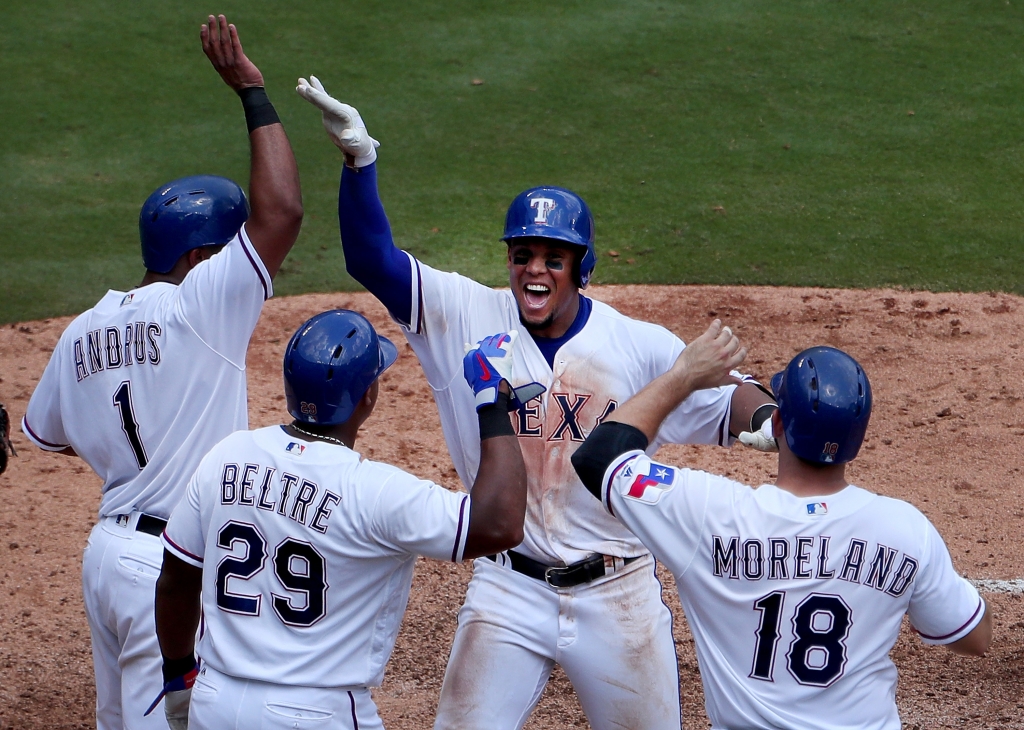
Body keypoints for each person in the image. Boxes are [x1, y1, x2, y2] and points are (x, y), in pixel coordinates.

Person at [295, 78, 779, 730]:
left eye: (555, 258)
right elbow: (371, 258)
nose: (535, 271)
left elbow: (727, 390)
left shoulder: (634, 345)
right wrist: (359, 161)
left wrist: (767, 418)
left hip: (619, 593)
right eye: (524, 255)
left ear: (583, 267)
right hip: (507, 589)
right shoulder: (462, 312)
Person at [20, 15, 302, 730]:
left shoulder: (81, 331)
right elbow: (284, 211)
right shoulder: (200, 308)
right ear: (203, 262)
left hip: (107, 554)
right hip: (169, 571)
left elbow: (48, 435)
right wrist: (253, 92)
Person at [572, 331, 992, 730]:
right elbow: (975, 638)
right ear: (857, 439)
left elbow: (598, 456)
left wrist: (683, 376)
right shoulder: (905, 530)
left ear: (776, 425)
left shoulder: (706, 512)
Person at [149, 311, 529, 730]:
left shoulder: (227, 455)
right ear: (367, 396)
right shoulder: (375, 491)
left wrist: (178, 676)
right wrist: (492, 401)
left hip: (215, 700)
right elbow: (500, 525)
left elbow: (176, 580)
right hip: (313, 713)